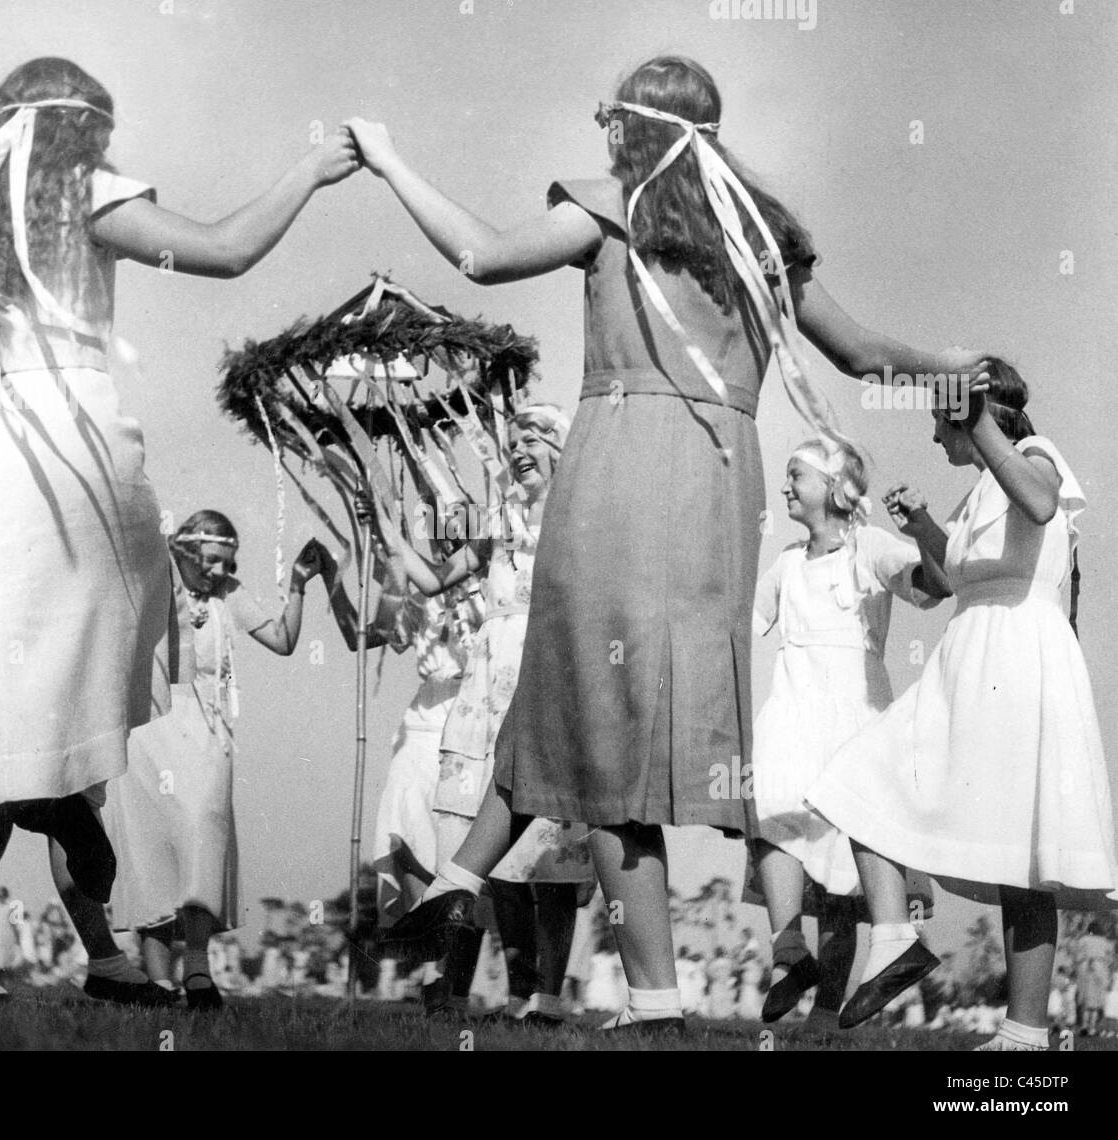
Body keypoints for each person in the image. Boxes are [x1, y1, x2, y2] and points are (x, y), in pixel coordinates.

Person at [353, 54, 987, 1032]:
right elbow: (862, 355)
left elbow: (477, 256)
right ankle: (477, 887)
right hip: (719, 487)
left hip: (615, 469)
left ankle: (550, 937)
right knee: (602, 715)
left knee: (596, 720)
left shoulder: (609, 207)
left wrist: (393, 163)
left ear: (626, 130)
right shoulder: (760, 237)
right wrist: (954, 368)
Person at [0, 57, 358, 998]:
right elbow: (227, 249)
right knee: (81, 666)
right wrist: (308, 173)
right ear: (84, 130)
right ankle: (59, 803)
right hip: (69, 448)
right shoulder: (84, 190)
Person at [808, 361, 1118, 1049]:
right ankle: (893, 939)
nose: (932, 438)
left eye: (937, 421)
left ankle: (1024, 1033)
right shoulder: (979, 490)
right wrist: (921, 522)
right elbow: (949, 578)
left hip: (1020, 655)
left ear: (969, 415)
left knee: (1025, 852)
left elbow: (1039, 505)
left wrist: (983, 426)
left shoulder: (1033, 455)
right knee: (860, 776)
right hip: (967, 656)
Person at [373, 405, 595, 1024]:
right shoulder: (499, 518)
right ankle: (480, 988)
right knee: (482, 841)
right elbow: (435, 579)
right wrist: (390, 533)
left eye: (533, 440)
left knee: (553, 845)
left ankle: (547, 997)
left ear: (559, 446)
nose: (520, 450)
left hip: (549, 671)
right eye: (514, 441)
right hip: (484, 687)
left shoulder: (581, 511)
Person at [104, 510, 332, 1010]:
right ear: (184, 550)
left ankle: (200, 967)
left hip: (207, 728)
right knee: (151, 851)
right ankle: (159, 983)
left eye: (225, 563)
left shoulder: (227, 593)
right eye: (209, 561)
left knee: (203, 830)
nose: (216, 571)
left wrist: (298, 585)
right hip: (148, 723)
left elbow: (283, 640)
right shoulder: (153, 577)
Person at [748, 438, 940, 1022]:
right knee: (767, 813)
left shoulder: (870, 545)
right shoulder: (784, 562)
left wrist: (924, 528)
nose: (785, 487)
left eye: (795, 476)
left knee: (846, 858)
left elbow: (931, 588)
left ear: (832, 488)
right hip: (789, 707)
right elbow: (744, 625)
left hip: (855, 708)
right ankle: (788, 953)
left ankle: (840, 999)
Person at [325, 552, 484, 1013]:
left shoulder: (497, 581)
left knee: (466, 862)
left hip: (475, 718)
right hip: (420, 727)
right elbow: (366, 635)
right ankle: (435, 977)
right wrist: (332, 578)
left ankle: (452, 988)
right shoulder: (417, 594)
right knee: (412, 847)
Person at [1075, 922, 1113, 1037]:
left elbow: (1077, 956)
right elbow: (1110, 959)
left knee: (1086, 1000)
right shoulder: (1106, 942)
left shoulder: (1083, 940)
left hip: (1085, 967)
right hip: (1100, 969)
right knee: (1096, 1002)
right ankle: (1092, 1028)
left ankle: (1084, 1026)